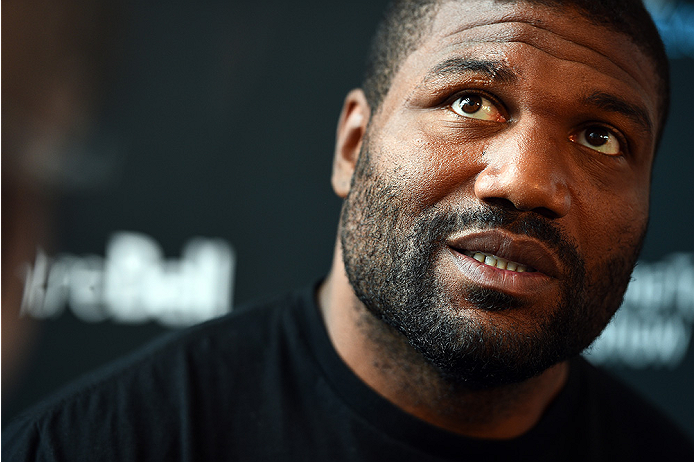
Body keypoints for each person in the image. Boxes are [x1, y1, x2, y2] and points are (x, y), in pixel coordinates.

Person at [2, 0, 693, 460]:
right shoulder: (94, 445)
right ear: (352, 145)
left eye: (601, 138)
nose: (525, 181)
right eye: (471, 101)